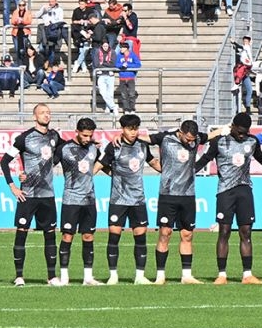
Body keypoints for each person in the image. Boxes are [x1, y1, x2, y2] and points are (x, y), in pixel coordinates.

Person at [198, 112, 262, 283]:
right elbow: (204, 160)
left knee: (246, 232)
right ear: (232, 126)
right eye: (239, 131)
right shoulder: (219, 142)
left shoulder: (252, 141)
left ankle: (247, 274)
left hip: (245, 190)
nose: (242, 135)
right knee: (224, 232)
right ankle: (222, 275)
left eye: (245, 132)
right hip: (225, 191)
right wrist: (187, 171)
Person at [1, 103, 65, 286]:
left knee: (50, 234)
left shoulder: (55, 136)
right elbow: (4, 162)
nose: (47, 115)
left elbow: (63, 150)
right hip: (27, 194)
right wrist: (13, 186)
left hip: (47, 194)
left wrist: (49, 165)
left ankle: (52, 276)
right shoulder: (24, 138)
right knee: (22, 232)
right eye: (42, 112)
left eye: (48, 112)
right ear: (34, 116)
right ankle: (19, 276)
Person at [94, 114, 156, 284]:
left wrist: (172, 171)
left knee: (140, 237)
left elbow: (153, 163)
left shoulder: (143, 146)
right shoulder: (114, 147)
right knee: (114, 236)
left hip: (138, 200)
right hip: (118, 200)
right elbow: (99, 165)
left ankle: (140, 276)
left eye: (136, 128)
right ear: (122, 129)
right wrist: (113, 174)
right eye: (130, 128)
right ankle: (113, 275)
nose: (133, 132)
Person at [151, 119, 204, 283]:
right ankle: (160, 275)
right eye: (187, 138)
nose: (190, 142)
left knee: (187, 234)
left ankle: (186, 276)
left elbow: (211, 136)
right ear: (180, 132)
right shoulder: (165, 139)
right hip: (168, 194)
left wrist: (224, 129)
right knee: (165, 233)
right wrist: (154, 163)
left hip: (188, 195)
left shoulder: (197, 140)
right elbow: (143, 140)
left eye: (192, 140)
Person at [56, 118, 104, 285]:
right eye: (84, 135)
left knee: (88, 236)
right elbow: (48, 165)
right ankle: (64, 277)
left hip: (89, 199)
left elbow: (102, 165)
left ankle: (88, 277)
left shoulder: (93, 148)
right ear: (76, 131)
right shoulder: (64, 149)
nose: (87, 139)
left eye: (90, 135)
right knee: (68, 236)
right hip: (71, 200)